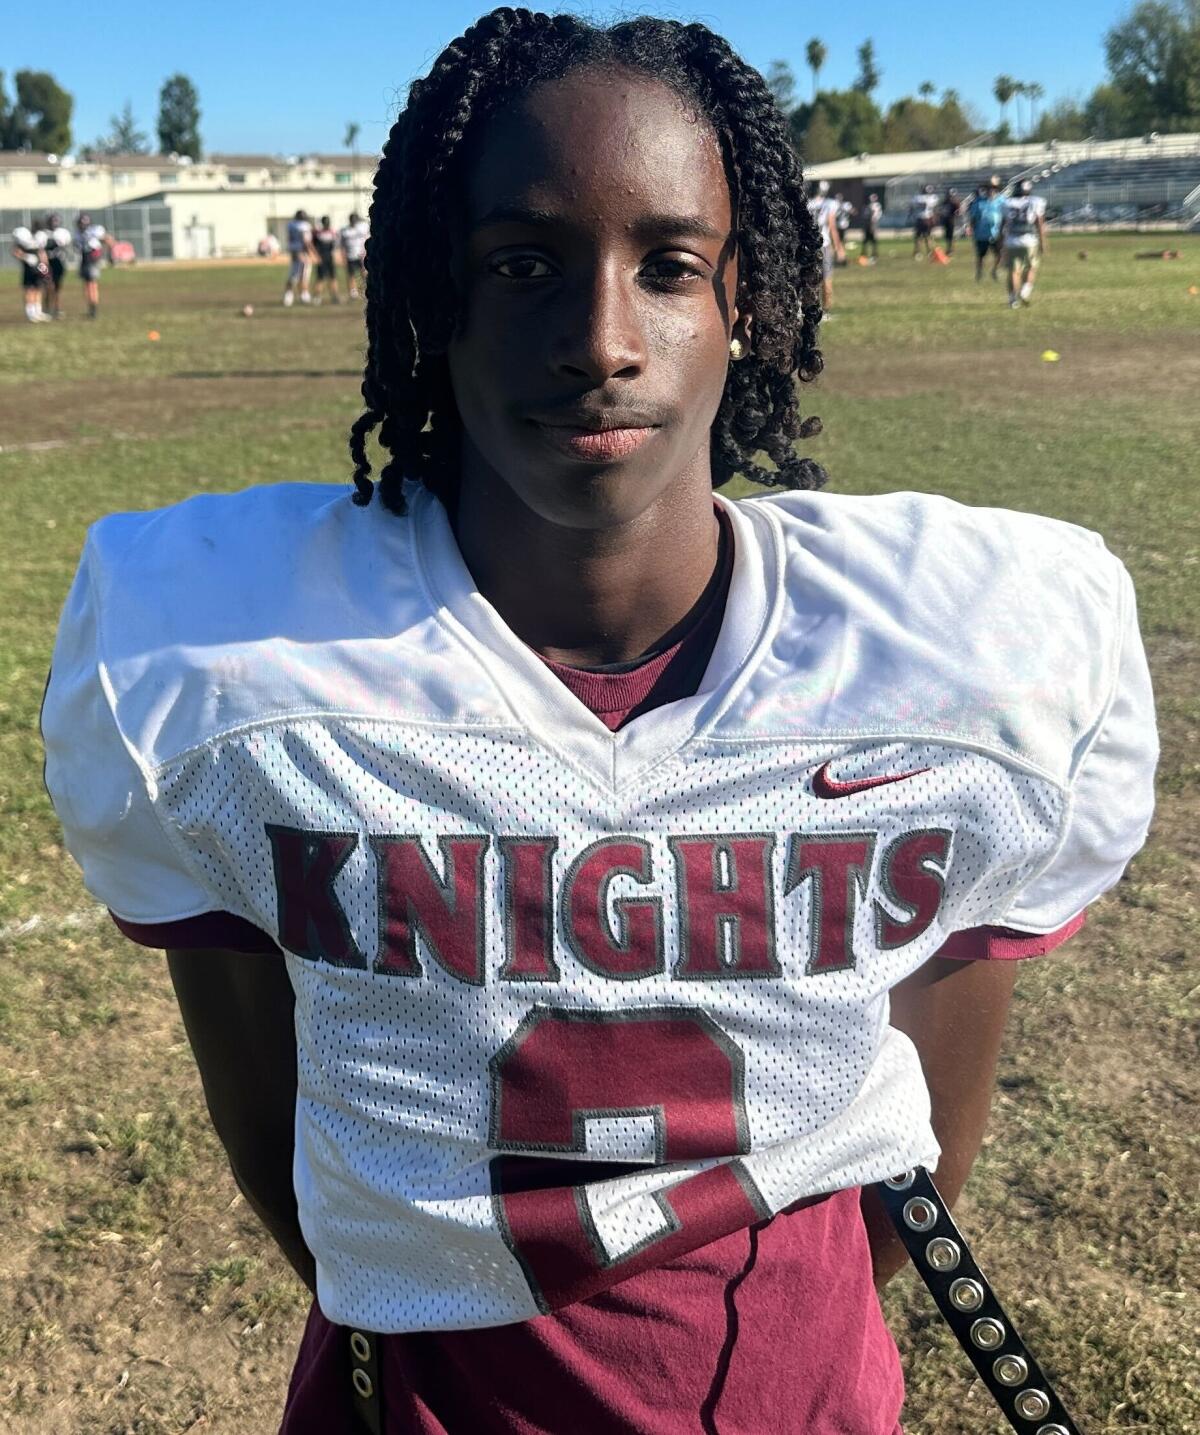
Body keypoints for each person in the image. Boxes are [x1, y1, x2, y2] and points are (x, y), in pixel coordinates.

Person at [41, 11, 1158, 1435]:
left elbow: (924, 1127)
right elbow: (287, 1132)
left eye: (670, 266)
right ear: (436, 291)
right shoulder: (216, 649)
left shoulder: (968, 651)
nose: (602, 340)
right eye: (523, 264)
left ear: (740, 295)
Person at [1000, 176, 1048, 308]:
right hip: (1029, 240)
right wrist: (1043, 241)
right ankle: (1025, 291)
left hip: (1012, 240)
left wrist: (1001, 243)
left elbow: (1002, 225)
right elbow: (1039, 222)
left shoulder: (1007, 202)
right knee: (1031, 268)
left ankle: (1012, 300)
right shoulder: (1036, 201)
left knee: (1014, 271)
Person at [807, 178, 844, 313]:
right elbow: (832, 226)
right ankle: (826, 309)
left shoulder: (808, 204)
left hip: (809, 246)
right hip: (824, 244)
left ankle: (812, 309)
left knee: (811, 280)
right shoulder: (829, 204)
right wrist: (839, 247)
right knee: (826, 279)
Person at [966, 176, 1005, 282]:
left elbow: (1006, 215)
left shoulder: (1002, 201)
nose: (990, 191)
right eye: (988, 188)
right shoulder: (978, 202)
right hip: (981, 233)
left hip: (997, 233)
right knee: (981, 255)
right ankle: (979, 272)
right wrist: (971, 227)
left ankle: (995, 270)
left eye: (993, 188)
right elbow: (973, 217)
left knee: (1000, 254)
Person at [76, 213, 113, 319]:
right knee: (87, 285)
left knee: (92, 284)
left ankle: (94, 310)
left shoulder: (94, 231)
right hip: (85, 258)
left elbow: (108, 239)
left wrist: (110, 255)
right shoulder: (79, 233)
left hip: (92, 258)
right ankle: (90, 308)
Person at [11, 222, 50, 322]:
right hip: (29, 269)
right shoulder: (23, 238)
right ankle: (31, 313)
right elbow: (15, 252)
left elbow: (42, 253)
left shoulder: (39, 239)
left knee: (38, 288)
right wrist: (26, 257)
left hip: (39, 267)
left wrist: (45, 269)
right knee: (30, 289)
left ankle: (38, 311)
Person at [41, 214, 73, 318]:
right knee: (47, 286)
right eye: (52, 221)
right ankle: (46, 309)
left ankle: (57, 309)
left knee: (57, 287)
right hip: (44, 263)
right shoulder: (43, 234)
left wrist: (62, 245)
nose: (54, 224)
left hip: (58, 262)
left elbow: (67, 246)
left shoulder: (62, 233)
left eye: (56, 221)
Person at [283, 209, 316, 307]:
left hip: (294, 251)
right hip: (302, 251)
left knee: (293, 274)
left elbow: (289, 238)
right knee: (304, 274)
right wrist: (313, 253)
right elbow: (306, 241)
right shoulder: (304, 226)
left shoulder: (290, 225)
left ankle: (288, 296)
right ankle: (304, 295)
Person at [311, 215, 341, 304]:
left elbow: (313, 245)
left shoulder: (318, 233)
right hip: (326, 257)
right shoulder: (330, 233)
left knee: (328, 278)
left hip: (324, 257)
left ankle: (329, 297)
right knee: (327, 278)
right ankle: (321, 297)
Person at [340, 211, 369, 298]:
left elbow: (367, 238)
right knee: (351, 274)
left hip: (361, 255)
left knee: (363, 273)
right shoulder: (345, 230)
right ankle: (353, 292)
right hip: (350, 255)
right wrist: (343, 255)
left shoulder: (362, 227)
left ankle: (365, 289)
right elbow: (342, 245)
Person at [909, 183, 937, 258]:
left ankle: (918, 252)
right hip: (927, 218)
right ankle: (929, 252)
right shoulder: (932, 198)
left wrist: (911, 215)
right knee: (927, 236)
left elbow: (911, 206)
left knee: (918, 237)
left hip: (920, 218)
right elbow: (933, 207)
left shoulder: (917, 197)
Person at [939, 188, 961, 255]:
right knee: (947, 236)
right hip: (946, 220)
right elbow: (941, 211)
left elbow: (958, 212)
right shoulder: (944, 202)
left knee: (951, 236)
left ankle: (951, 250)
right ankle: (948, 249)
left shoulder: (954, 203)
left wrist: (957, 211)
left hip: (951, 220)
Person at [862, 191, 882, 262]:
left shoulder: (876, 205)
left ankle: (874, 254)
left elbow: (875, 216)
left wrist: (872, 225)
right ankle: (866, 254)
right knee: (867, 240)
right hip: (868, 224)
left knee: (873, 240)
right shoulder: (868, 206)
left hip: (872, 224)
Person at [834, 192, 852, 264]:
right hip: (844, 225)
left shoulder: (836, 206)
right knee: (841, 242)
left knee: (839, 242)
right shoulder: (846, 205)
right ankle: (841, 256)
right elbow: (853, 211)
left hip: (839, 225)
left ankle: (840, 257)